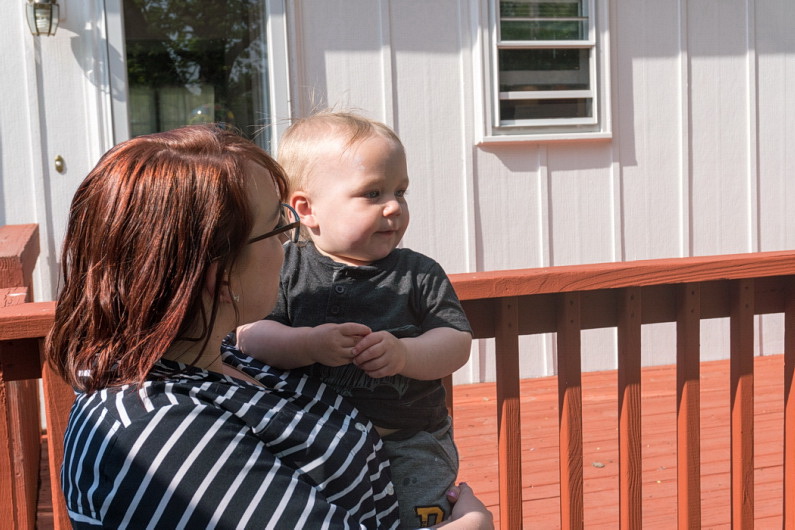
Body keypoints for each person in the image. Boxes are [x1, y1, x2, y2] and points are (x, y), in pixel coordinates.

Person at [46, 123, 492, 529]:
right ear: (219, 273)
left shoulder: (221, 356)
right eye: (278, 227)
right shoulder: (155, 430)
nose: (289, 242)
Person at [235, 111, 474, 528]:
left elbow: (455, 341)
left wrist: (405, 355)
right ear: (307, 209)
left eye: (400, 191)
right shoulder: (286, 266)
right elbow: (249, 334)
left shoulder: (419, 273)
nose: (394, 206)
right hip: (312, 445)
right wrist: (307, 344)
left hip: (408, 444)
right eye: (373, 193)